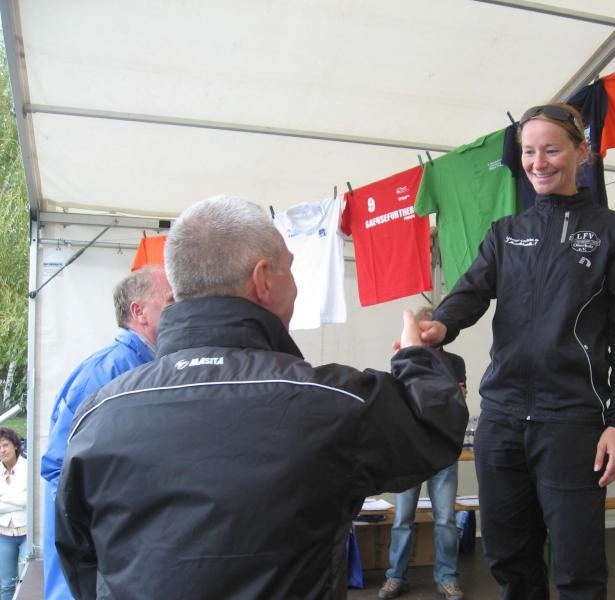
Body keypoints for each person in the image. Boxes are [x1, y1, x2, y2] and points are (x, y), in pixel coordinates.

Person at [55, 195, 469, 600]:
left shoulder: (99, 414)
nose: (296, 285)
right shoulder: (328, 402)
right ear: (264, 279)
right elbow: (435, 427)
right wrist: (416, 355)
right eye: (291, 269)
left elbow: (82, 559)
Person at [419, 103, 615, 600]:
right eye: (529, 151)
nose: (538, 162)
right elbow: (471, 291)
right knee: (508, 559)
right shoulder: (506, 232)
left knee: (577, 567)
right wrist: (439, 324)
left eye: (551, 149)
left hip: (571, 422)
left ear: (581, 151)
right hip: (501, 420)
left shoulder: (612, 231)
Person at [41, 265, 173, 600]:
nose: (181, 310)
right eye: (170, 301)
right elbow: (60, 470)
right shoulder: (107, 372)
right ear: (139, 312)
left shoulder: (149, 367)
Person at [379, 307, 467, 600]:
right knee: (402, 518)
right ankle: (396, 577)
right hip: (410, 449)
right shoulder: (403, 356)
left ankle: (447, 578)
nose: (424, 334)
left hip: (443, 449)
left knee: (446, 520)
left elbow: (457, 401)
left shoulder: (454, 362)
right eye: (419, 328)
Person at [0, 428, 26, 600]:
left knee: (27, 581)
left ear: (15, 446)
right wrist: (17, 499)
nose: (2, 450)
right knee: (6, 584)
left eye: (5, 445)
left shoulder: (28, 467)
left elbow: (28, 502)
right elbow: (21, 501)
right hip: (4, 534)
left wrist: (3, 497)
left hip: (27, 533)